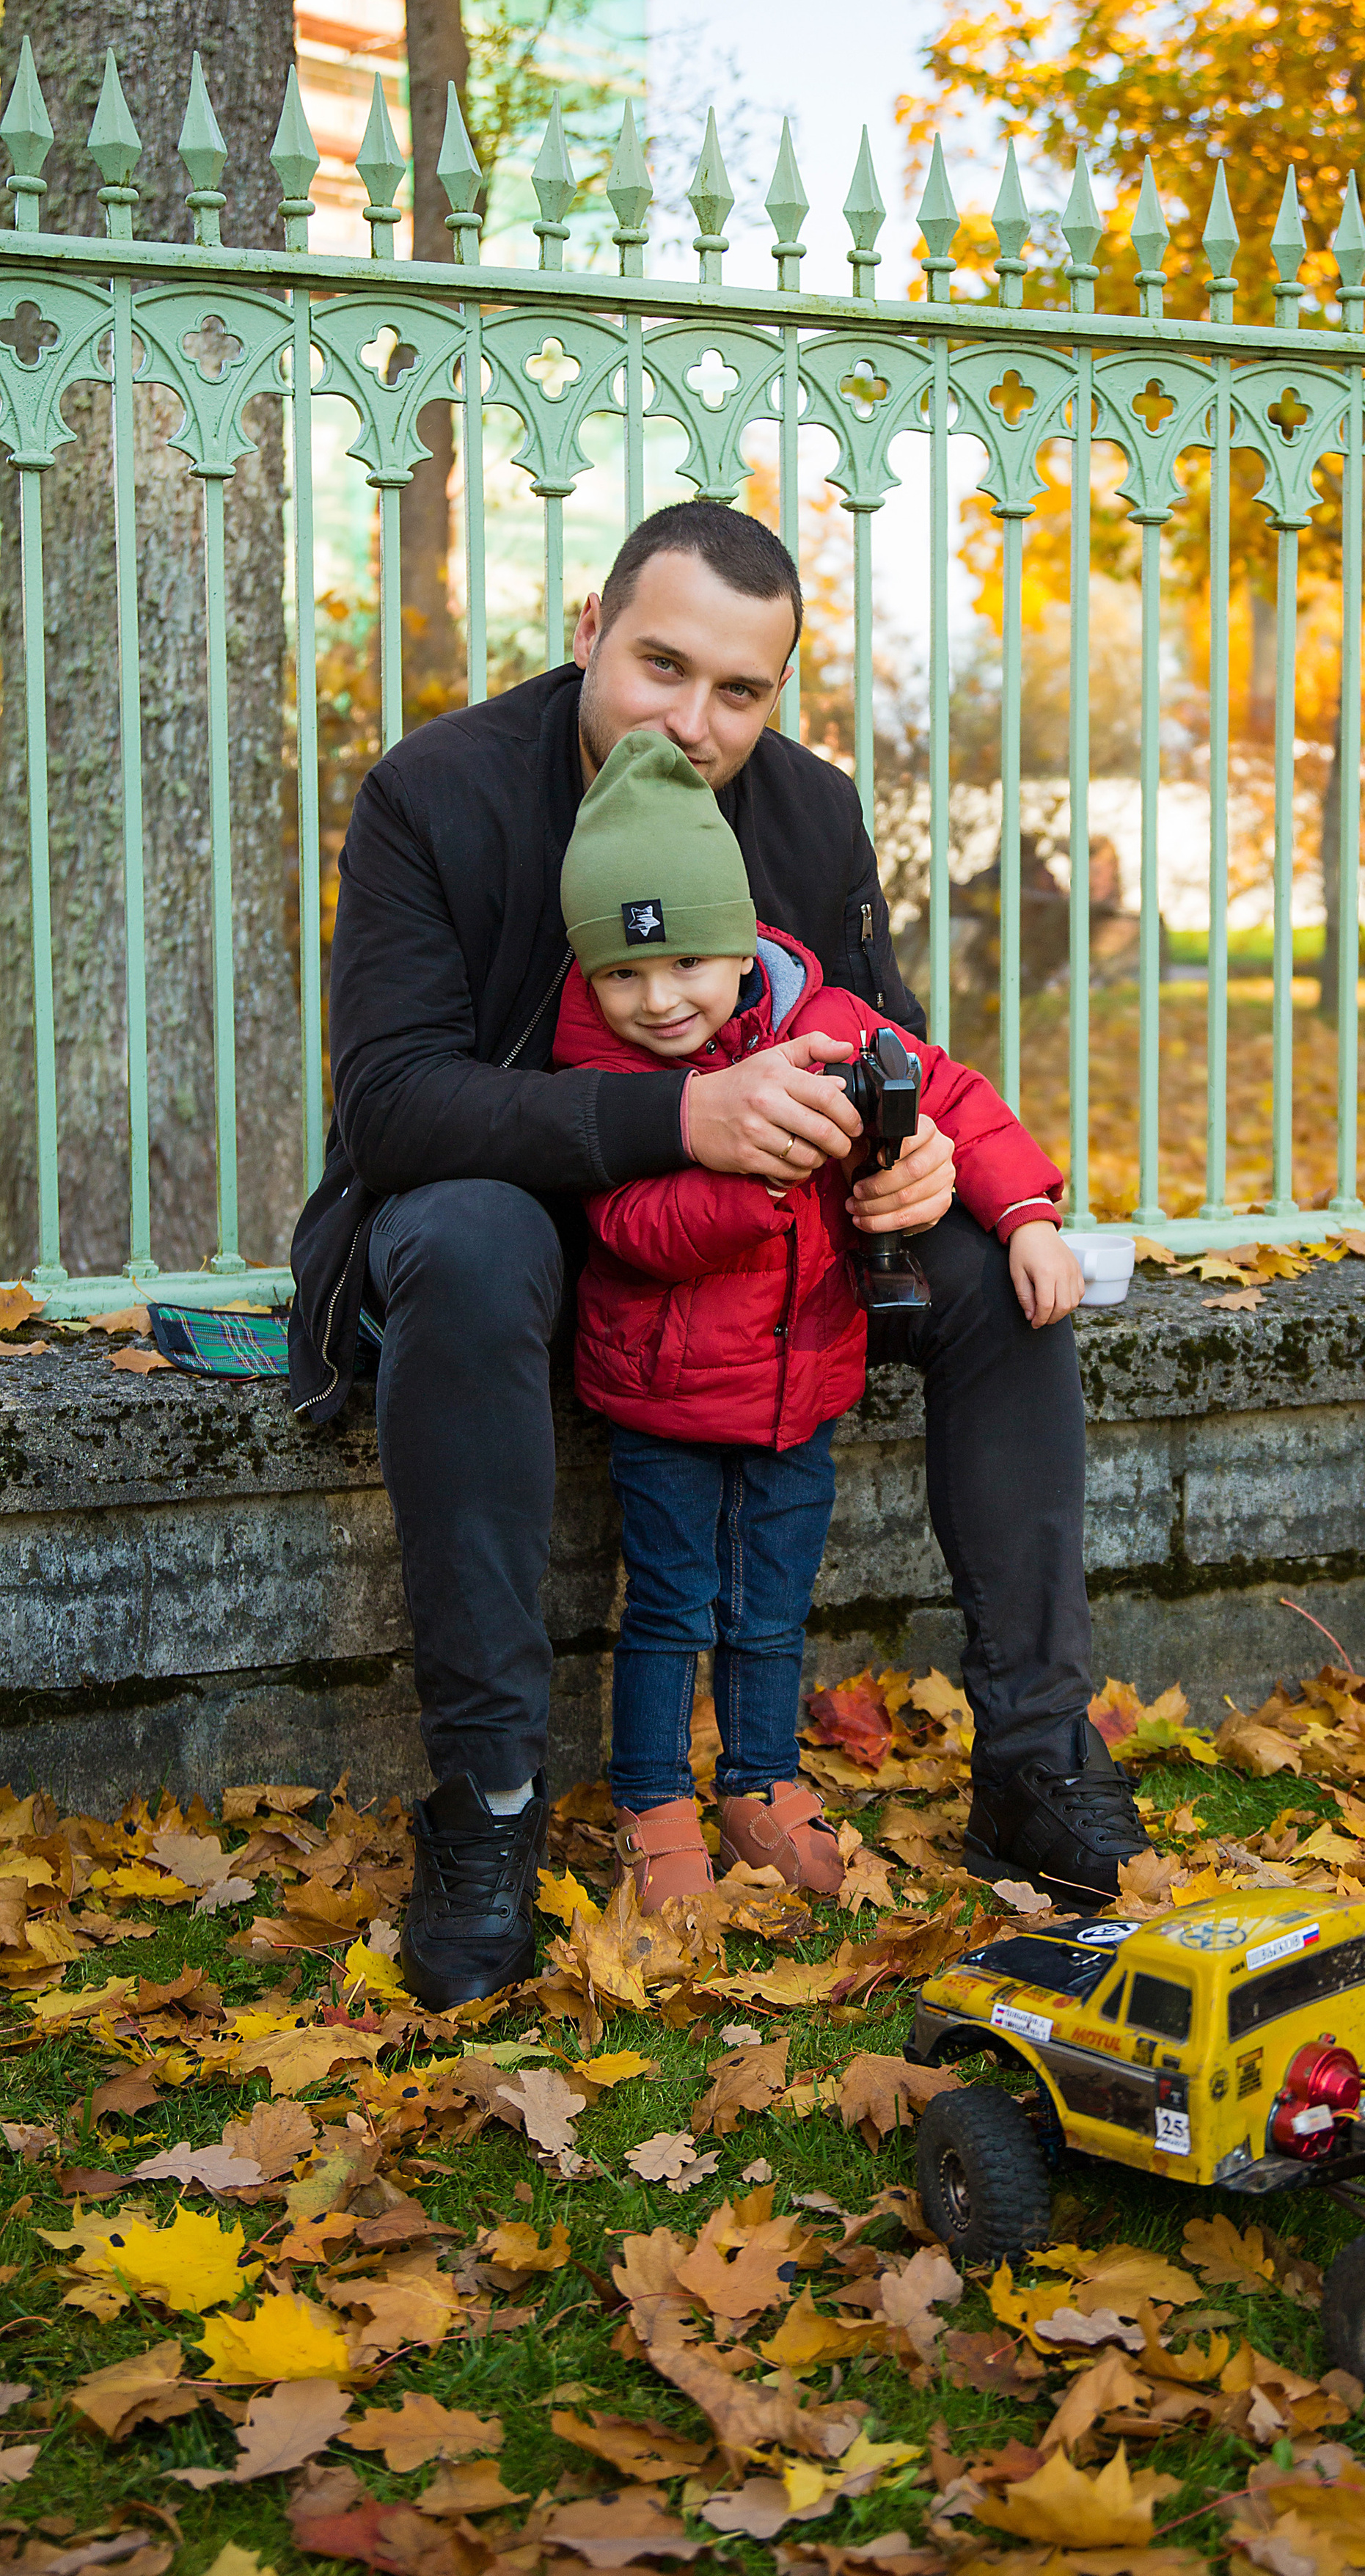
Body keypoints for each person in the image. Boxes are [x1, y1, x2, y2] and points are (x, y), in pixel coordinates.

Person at [289, 497, 1146, 2013]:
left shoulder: (806, 812)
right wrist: (679, 1114)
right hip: (501, 1225)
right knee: (475, 1244)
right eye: (661, 666)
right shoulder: (438, 794)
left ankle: (1030, 1752)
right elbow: (395, 1105)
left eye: (738, 690)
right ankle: (486, 1807)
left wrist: (920, 1157)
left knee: (1003, 1282)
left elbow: (888, 1047)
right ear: (586, 637)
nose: (694, 720)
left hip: (737, 1262)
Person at [555, 726, 1083, 1911]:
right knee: (671, 1605)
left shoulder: (827, 1018)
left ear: (739, 939)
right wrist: (753, 1181)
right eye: (623, 974)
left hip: (802, 1384)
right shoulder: (601, 1061)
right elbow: (628, 1226)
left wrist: (1028, 1212)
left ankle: (760, 1779)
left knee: (772, 1602)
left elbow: (949, 1093)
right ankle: (651, 1795)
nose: (658, 1001)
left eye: (687, 963)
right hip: (668, 1395)